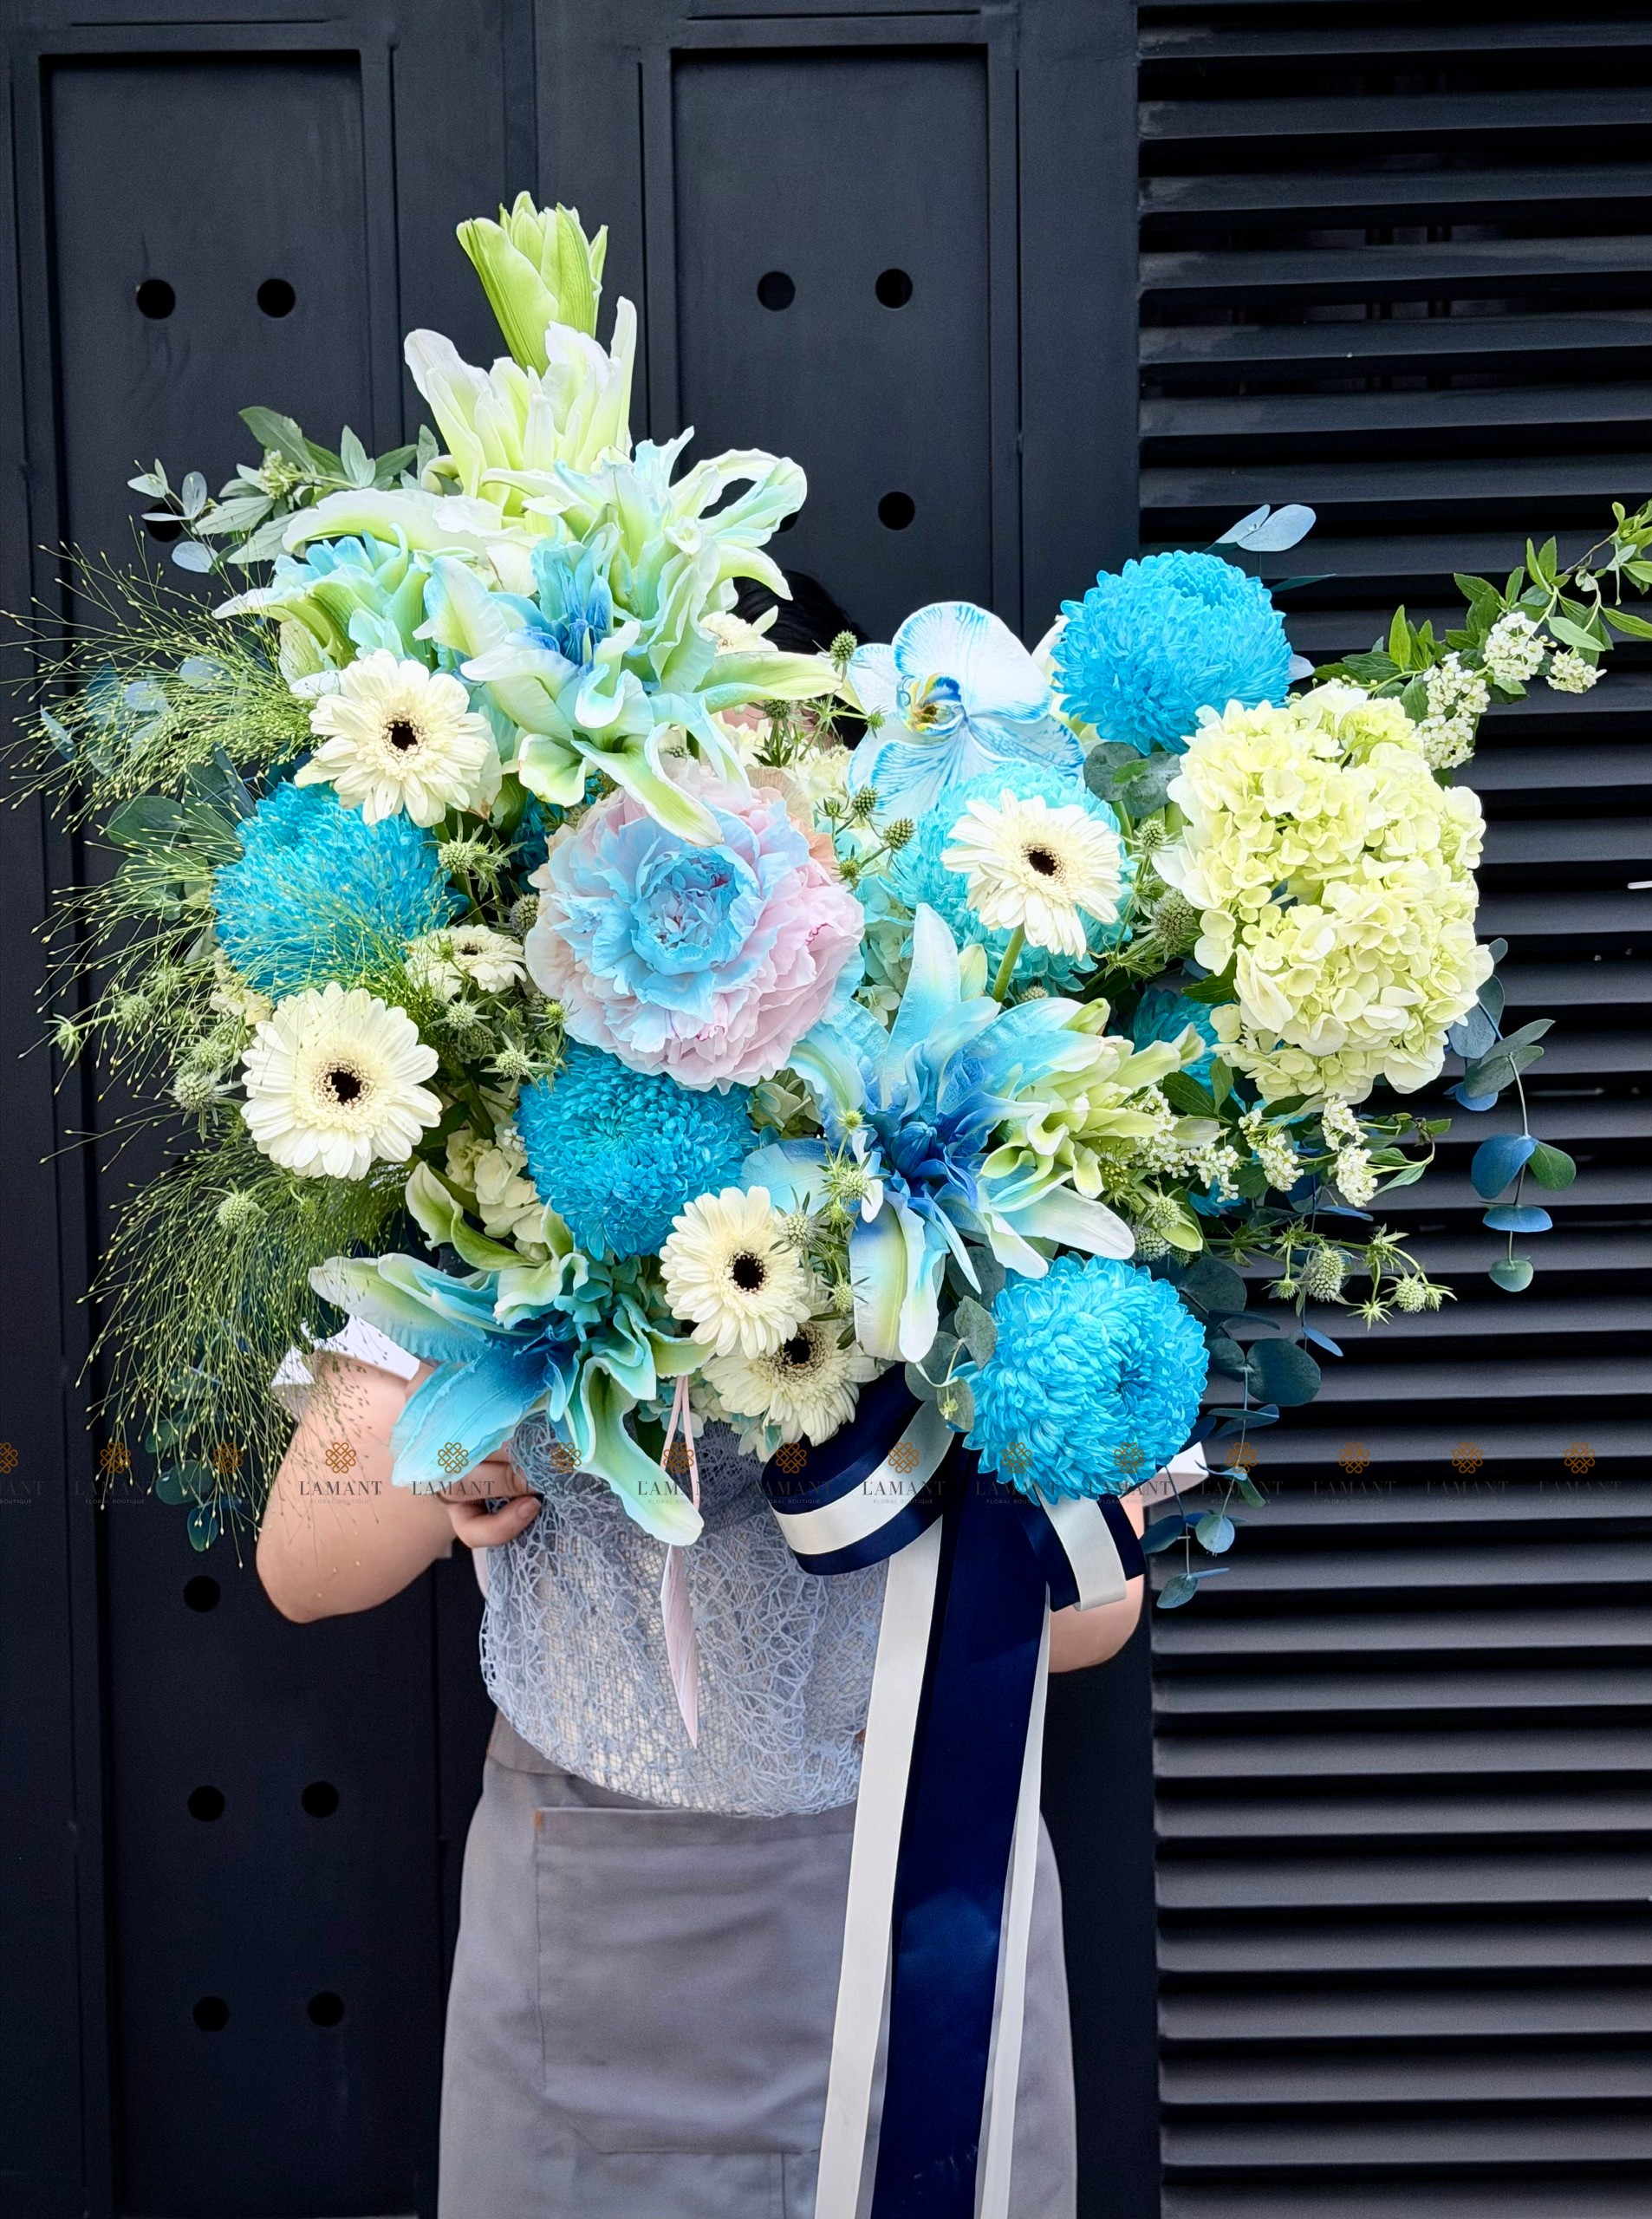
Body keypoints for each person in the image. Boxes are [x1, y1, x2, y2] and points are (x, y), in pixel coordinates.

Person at [255, 576, 1149, 2217]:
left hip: (930, 1889)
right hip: (601, 1910)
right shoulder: (502, 1137)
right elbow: (304, 1565)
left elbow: (1091, 1625)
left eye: (768, 760)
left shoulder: (971, 1135)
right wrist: (457, 1449)